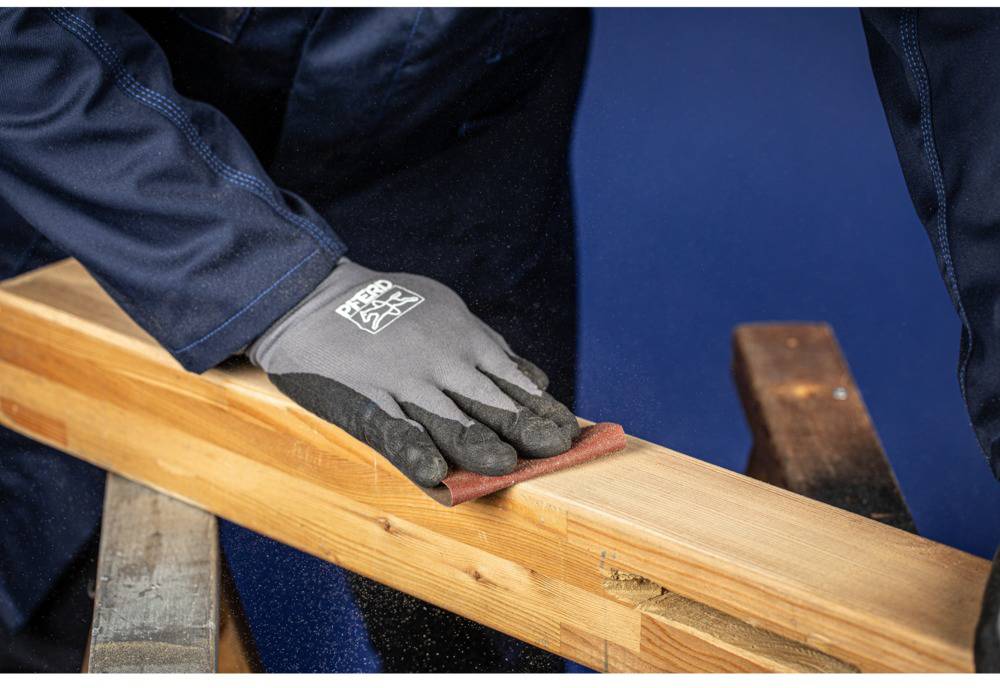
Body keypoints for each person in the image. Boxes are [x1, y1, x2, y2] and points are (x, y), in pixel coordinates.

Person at [0, 6, 996, 672]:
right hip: (88, 129)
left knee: (493, 573)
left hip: (447, 108)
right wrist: (266, 282)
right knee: (59, 564)